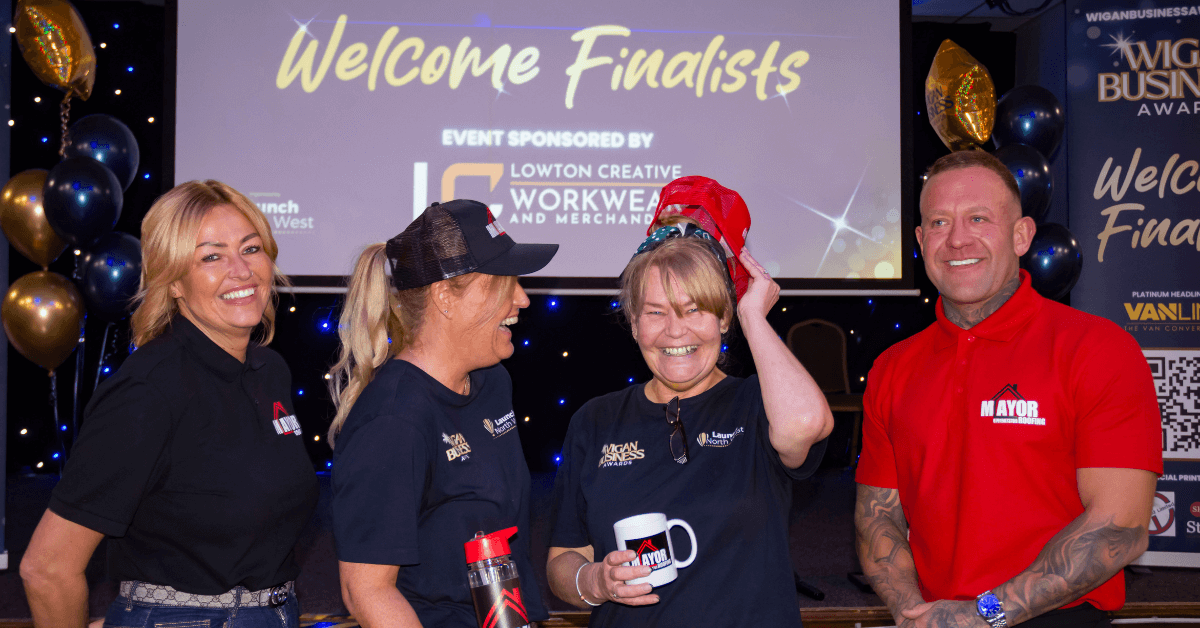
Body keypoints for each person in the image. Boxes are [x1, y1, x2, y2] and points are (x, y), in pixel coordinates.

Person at [854, 150, 1162, 628]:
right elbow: (878, 517)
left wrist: (984, 614)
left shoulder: (1098, 349)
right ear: (919, 239)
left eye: (978, 218)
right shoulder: (893, 368)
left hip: (1057, 618)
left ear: (1021, 236)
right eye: (938, 222)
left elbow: (1119, 529)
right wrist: (912, 611)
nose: (957, 240)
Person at [20, 180, 319, 628]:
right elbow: (46, 569)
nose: (242, 271)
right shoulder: (148, 391)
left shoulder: (269, 370)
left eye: (251, 248)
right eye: (212, 257)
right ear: (174, 281)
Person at [546, 202, 834, 626]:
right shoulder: (595, 420)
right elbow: (562, 560)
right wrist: (593, 581)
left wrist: (752, 315)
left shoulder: (759, 405)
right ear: (633, 323)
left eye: (694, 309)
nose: (674, 331)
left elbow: (807, 425)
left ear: (723, 317)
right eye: (655, 312)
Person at [329, 199, 558, 628]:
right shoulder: (395, 420)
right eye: (504, 284)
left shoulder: (493, 383)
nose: (523, 299)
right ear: (445, 296)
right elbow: (366, 591)